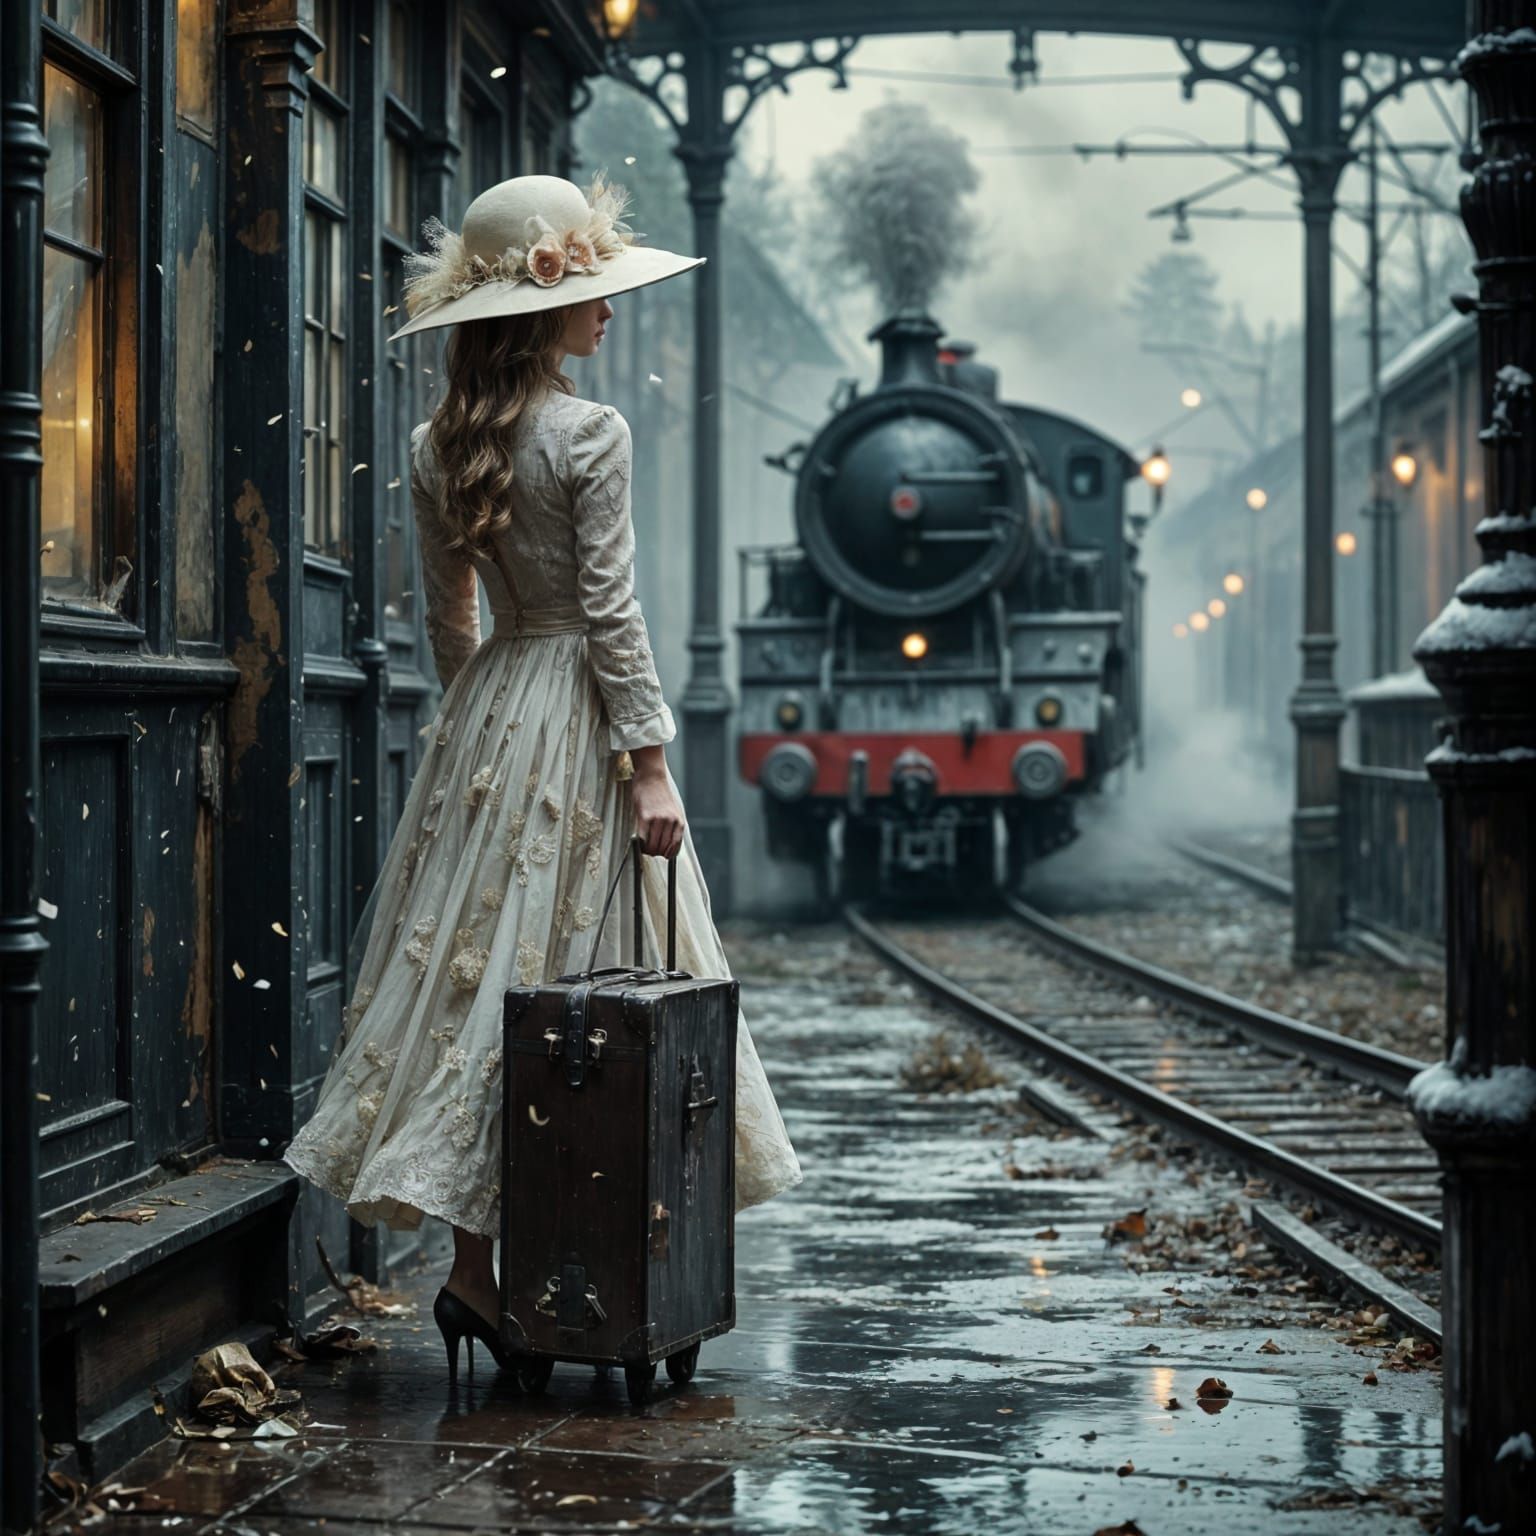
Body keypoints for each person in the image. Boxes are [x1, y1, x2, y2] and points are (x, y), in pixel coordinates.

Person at [281, 174, 801, 1374]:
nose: (608, 311)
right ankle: (618, 1250)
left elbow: (445, 619)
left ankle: (476, 1277)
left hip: (494, 713)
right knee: (597, 977)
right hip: (581, 714)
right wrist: (650, 764)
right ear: (539, 309)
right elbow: (613, 613)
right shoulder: (590, 434)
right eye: (594, 291)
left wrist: (483, 721)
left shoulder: (434, 443)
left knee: (482, 988)